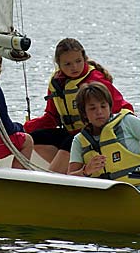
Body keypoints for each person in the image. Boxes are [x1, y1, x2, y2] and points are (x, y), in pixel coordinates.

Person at [24, 38, 132, 173]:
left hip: (94, 135)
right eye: (67, 64)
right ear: (59, 64)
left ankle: (60, 174)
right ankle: (72, 170)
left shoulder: (96, 81)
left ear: (84, 58)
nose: (74, 67)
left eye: (78, 61)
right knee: (33, 138)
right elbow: (51, 117)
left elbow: (124, 108)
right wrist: (25, 129)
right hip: (71, 134)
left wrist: (138, 131)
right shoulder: (57, 83)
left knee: (69, 142)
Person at [68, 82, 140, 201]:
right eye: (92, 108)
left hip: (138, 190)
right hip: (102, 195)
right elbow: (70, 178)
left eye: (103, 106)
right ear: (84, 113)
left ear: (110, 107)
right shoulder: (79, 140)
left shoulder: (127, 122)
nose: (99, 112)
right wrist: (86, 171)